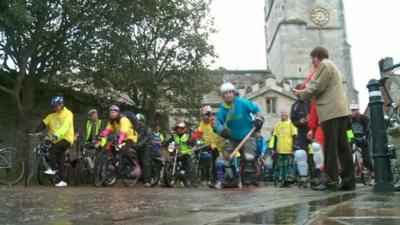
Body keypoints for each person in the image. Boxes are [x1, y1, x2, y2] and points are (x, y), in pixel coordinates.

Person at [293, 46, 355, 191]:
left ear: (317, 56)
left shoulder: (324, 65)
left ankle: (331, 181)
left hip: (330, 112)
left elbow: (317, 87)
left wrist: (300, 93)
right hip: (339, 111)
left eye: (312, 58)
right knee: (343, 148)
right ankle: (348, 181)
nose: (312, 62)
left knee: (330, 148)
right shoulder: (331, 65)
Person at [212, 82, 264, 187]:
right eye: (226, 93)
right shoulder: (223, 110)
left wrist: (258, 119)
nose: (228, 95)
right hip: (233, 137)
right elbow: (216, 123)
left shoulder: (243, 103)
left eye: (230, 92)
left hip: (248, 135)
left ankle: (248, 179)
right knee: (226, 159)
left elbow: (257, 110)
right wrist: (221, 130)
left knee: (249, 157)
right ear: (223, 95)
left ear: (234, 93)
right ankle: (232, 180)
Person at [35, 96, 74, 187]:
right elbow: (43, 123)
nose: (55, 108)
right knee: (60, 160)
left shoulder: (68, 114)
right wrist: (37, 130)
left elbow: (65, 127)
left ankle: (52, 168)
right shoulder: (51, 116)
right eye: (54, 106)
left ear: (61, 104)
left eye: (56, 106)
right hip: (55, 139)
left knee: (53, 149)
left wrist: (55, 136)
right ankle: (63, 180)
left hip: (66, 138)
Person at [99, 105, 140, 177]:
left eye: (114, 112)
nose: (112, 114)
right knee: (111, 146)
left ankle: (135, 165)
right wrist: (101, 136)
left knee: (125, 150)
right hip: (121, 137)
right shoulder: (112, 121)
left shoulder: (124, 120)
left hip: (130, 137)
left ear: (118, 113)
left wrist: (119, 141)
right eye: (111, 112)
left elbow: (123, 132)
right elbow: (107, 130)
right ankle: (113, 164)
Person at [192, 105, 224, 187]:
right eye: (202, 116)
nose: (203, 118)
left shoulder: (214, 121)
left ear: (209, 115)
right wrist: (192, 138)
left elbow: (221, 132)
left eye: (204, 116)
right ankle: (210, 179)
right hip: (210, 145)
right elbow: (198, 133)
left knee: (217, 163)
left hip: (219, 146)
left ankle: (220, 181)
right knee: (200, 153)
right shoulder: (202, 123)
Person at [290, 92, 312, 188]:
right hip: (302, 132)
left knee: (316, 151)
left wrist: (311, 120)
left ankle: (319, 176)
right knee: (300, 154)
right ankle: (303, 178)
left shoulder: (312, 102)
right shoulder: (295, 106)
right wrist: (300, 121)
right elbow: (293, 120)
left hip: (313, 130)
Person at [270, 110, 297, 187]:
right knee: (281, 166)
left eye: (285, 114)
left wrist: (294, 147)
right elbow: (275, 137)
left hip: (288, 149)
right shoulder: (277, 124)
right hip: (280, 150)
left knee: (289, 166)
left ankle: (289, 181)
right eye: (282, 114)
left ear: (287, 115)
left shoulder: (291, 123)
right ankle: (282, 180)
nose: (283, 115)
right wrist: (274, 148)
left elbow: (294, 136)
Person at [165, 120, 195, 187]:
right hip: (176, 153)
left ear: (184, 128)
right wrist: (165, 143)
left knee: (189, 164)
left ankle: (188, 180)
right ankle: (166, 180)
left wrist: (191, 148)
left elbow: (194, 145)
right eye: (178, 128)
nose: (179, 130)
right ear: (176, 129)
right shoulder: (174, 136)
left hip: (185, 154)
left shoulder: (188, 136)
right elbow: (169, 142)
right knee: (168, 160)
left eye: (181, 128)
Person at [348, 101, 373, 173]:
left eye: (353, 110)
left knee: (367, 159)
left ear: (357, 110)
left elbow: (369, 129)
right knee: (348, 152)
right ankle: (353, 167)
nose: (352, 112)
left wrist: (367, 138)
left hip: (364, 139)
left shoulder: (363, 118)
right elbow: (348, 130)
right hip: (354, 139)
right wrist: (351, 139)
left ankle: (372, 173)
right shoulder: (349, 120)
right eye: (351, 111)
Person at [135, 113, 152, 187]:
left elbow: (147, 137)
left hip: (145, 147)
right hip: (136, 146)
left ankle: (147, 181)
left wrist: (141, 143)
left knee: (145, 163)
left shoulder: (147, 128)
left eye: (140, 121)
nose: (138, 122)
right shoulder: (134, 128)